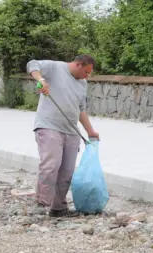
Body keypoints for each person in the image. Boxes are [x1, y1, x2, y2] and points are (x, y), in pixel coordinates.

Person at [26, 54, 100, 218]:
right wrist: (41, 80)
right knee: (51, 165)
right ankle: (41, 203)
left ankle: (58, 208)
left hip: (71, 130)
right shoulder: (55, 67)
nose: (87, 76)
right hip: (48, 126)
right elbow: (32, 64)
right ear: (79, 65)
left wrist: (90, 131)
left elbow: (81, 109)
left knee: (67, 171)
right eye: (86, 72)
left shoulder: (82, 83)